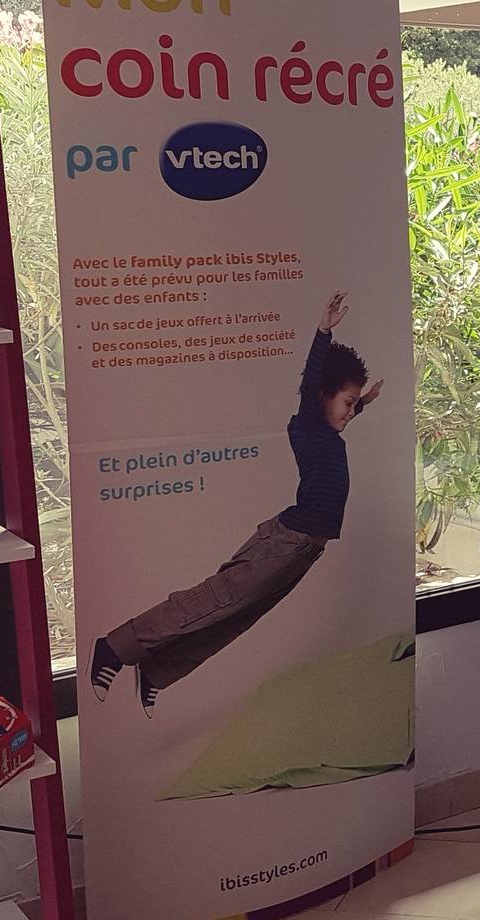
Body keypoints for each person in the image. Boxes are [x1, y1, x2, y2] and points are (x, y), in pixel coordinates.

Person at [86, 290, 384, 714]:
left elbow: (342, 411)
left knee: (239, 617)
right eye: (348, 403)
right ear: (323, 396)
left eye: (354, 405)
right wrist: (323, 331)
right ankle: (116, 647)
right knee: (216, 600)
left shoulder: (329, 431)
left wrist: (364, 403)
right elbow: (311, 384)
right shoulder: (309, 425)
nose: (350, 412)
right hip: (287, 541)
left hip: (307, 549)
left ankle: (158, 671)